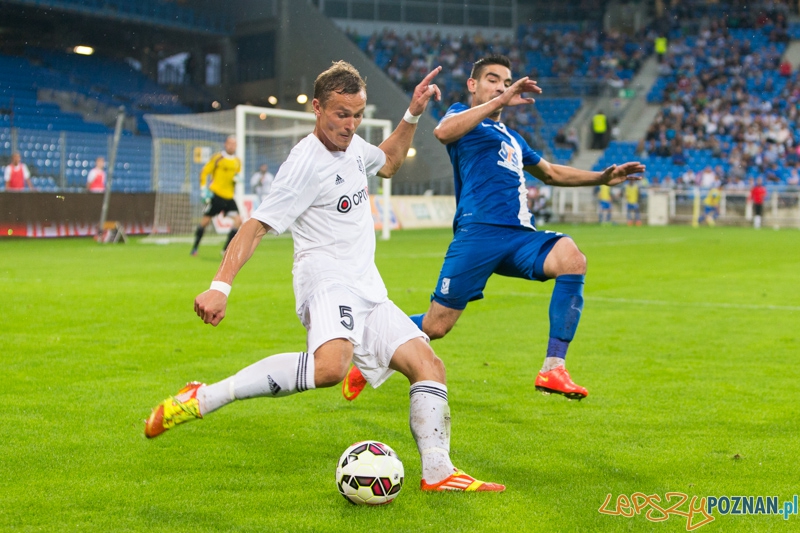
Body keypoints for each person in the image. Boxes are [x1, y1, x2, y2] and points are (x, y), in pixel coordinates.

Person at [145, 61, 504, 493]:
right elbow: (255, 226)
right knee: (331, 368)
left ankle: (438, 472)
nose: (350, 125)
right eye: (341, 114)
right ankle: (204, 396)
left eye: (357, 114)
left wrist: (411, 114)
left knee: (428, 366)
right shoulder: (304, 163)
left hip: (366, 285)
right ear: (317, 108)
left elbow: (388, 162)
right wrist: (220, 286)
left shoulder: (352, 148)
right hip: (325, 279)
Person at [342, 55, 644, 403]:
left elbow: (551, 172)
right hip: (478, 235)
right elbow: (442, 132)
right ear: (473, 85)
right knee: (436, 326)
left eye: (505, 81)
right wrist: (499, 102)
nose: (501, 86)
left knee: (572, 258)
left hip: (518, 236)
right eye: (492, 79)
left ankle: (553, 367)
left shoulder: (514, 138)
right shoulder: (460, 115)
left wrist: (601, 178)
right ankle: (367, 353)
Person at [191, 136, 242, 256]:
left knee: (238, 221)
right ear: (225, 144)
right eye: (230, 143)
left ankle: (225, 250)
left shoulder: (237, 162)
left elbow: (236, 175)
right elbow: (204, 172)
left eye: (234, 144)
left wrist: (237, 179)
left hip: (229, 197)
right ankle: (195, 248)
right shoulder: (217, 157)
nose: (232, 146)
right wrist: (203, 189)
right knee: (205, 222)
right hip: (216, 196)